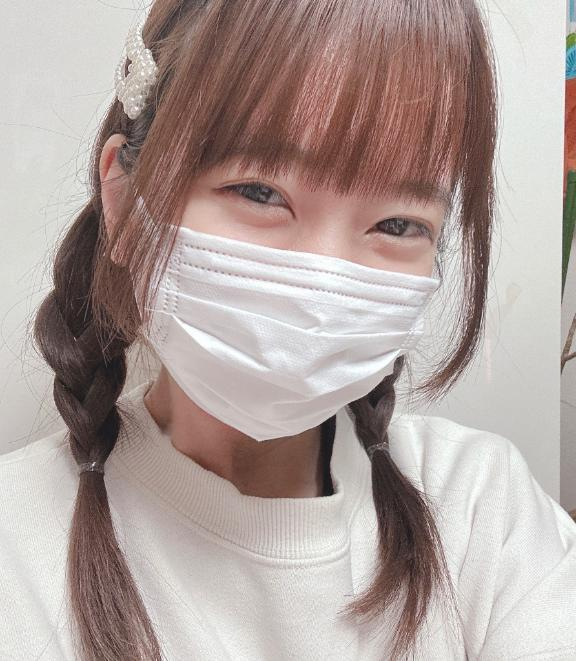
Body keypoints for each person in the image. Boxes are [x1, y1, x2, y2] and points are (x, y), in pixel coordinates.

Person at [1, 1, 575, 660]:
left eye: (397, 225)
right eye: (259, 192)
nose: (323, 282)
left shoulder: (482, 511)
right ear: (127, 203)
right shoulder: (16, 551)